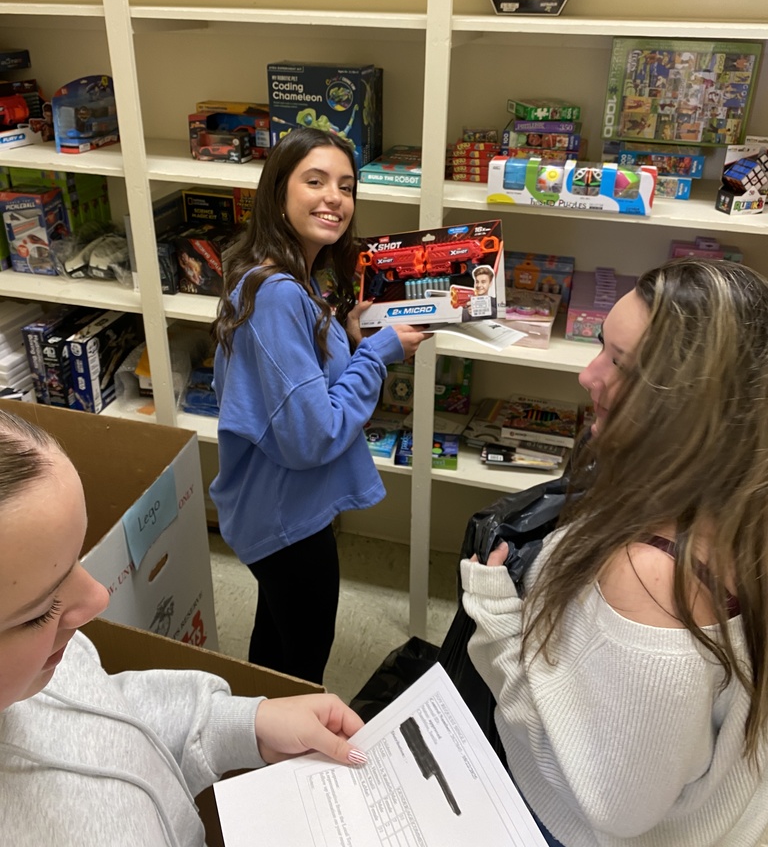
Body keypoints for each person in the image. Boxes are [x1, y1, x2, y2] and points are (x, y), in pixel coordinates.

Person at [461, 257, 768, 847]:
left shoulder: (652, 580)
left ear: (692, 405)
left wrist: (498, 629)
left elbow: (611, 803)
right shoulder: (735, 498)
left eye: (620, 365)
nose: (588, 375)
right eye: (602, 346)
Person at [0, 410, 368, 847]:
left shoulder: (49, 656)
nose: (99, 598)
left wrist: (240, 724)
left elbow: (104, 713)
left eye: (75, 561)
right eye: (41, 610)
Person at [211, 127, 431, 684]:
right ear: (277, 193)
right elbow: (314, 436)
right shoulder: (279, 292)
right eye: (315, 181)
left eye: (346, 186)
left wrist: (351, 339)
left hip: (278, 506)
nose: (335, 197)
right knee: (302, 664)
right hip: (287, 519)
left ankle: (256, 734)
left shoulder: (286, 278)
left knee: (277, 641)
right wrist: (378, 353)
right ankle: (285, 756)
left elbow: (294, 379)